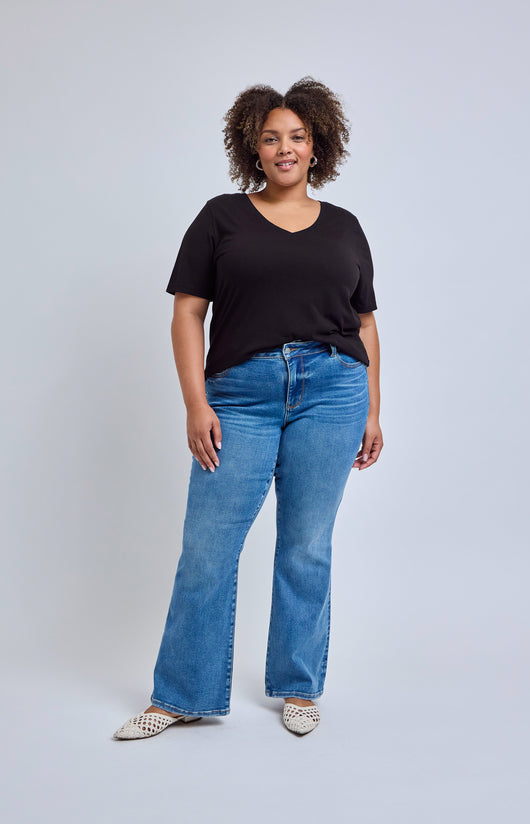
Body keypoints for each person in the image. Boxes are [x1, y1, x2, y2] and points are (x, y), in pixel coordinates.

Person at [113, 76, 383, 740]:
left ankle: (298, 685)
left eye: (296, 136)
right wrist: (195, 403)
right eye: (271, 138)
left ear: (317, 145)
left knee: (306, 546)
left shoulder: (345, 227)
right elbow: (187, 315)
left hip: (333, 391)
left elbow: (366, 322)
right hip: (240, 395)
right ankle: (181, 694)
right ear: (252, 149)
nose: (284, 148)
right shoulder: (220, 218)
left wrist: (373, 410)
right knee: (207, 548)